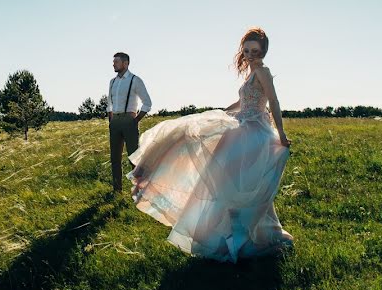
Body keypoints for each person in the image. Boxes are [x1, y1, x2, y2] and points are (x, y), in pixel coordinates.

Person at [126, 27, 293, 262]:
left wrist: (282, 134)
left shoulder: (263, 72)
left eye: (255, 50)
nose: (250, 55)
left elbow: (273, 101)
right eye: (246, 50)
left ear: (264, 51)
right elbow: (243, 101)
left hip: (254, 133)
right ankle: (233, 236)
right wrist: (224, 112)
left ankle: (246, 237)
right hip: (243, 125)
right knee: (226, 183)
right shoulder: (251, 74)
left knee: (238, 186)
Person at [107, 52, 152, 195]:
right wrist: (111, 120)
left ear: (125, 63)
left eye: (116, 62)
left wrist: (136, 120)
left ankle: (139, 189)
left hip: (129, 120)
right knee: (115, 158)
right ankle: (117, 190)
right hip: (115, 121)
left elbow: (147, 103)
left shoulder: (135, 80)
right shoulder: (112, 82)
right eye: (114, 62)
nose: (113, 64)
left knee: (133, 157)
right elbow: (109, 104)